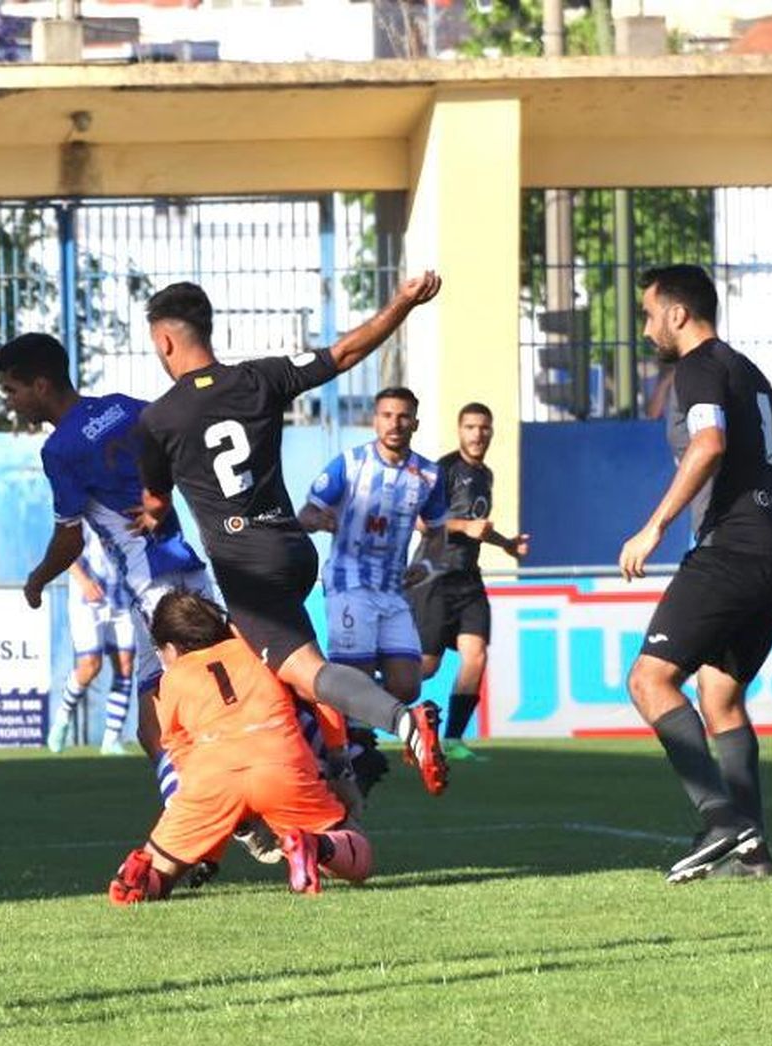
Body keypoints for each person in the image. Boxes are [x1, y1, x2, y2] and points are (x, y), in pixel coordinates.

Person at [135, 275, 450, 796]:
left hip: (246, 568)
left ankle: (400, 725)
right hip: (291, 548)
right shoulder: (260, 379)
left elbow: (154, 501)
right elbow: (345, 352)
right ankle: (340, 777)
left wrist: (150, 515)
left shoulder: (159, 418)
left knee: (301, 672)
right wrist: (403, 302)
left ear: (164, 341)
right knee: (280, 670)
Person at [618, 264, 772, 882]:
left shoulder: (696, 366)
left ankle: (720, 820)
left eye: (647, 314)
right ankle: (754, 856)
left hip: (732, 547)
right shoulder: (752, 373)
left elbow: (709, 443)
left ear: (676, 313)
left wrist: (654, 527)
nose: (645, 328)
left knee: (649, 680)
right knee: (720, 695)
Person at [0, 332, 214, 802]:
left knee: (155, 725)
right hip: (192, 573)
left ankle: (198, 821)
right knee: (220, 686)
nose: (11, 402)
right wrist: (160, 498)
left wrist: (36, 580)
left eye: (13, 390)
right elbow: (181, 443)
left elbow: (69, 538)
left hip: (150, 587)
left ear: (42, 385)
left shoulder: (60, 451)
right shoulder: (125, 406)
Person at [107, 592, 375, 903]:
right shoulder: (257, 649)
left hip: (210, 776)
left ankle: (138, 877)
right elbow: (321, 693)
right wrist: (340, 765)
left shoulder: (172, 680)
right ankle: (315, 845)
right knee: (357, 853)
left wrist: (208, 837)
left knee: (162, 873)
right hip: (279, 763)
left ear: (173, 647)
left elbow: (178, 753)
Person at [298, 387, 448, 706]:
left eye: (404, 416)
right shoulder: (350, 465)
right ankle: (353, 742)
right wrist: (319, 521)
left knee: (408, 686)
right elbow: (306, 512)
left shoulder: (429, 476)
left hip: (393, 589)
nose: (396, 423)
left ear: (415, 424)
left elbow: (437, 533)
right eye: (387, 416)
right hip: (348, 583)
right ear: (375, 421)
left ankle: (336, 706)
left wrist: (426, 565)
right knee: (357, 676)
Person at [406, 402, 530, 760]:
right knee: (425, 668)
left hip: (468, 579)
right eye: (471, 427)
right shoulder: (444, 470)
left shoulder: (486, 475)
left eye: (484, 428)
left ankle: (454, 740)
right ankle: (360, 710)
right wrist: (463, 527)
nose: (478, 434)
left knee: (475, 656)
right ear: (460, 431)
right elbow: (421, 519)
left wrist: (506, 544)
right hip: (434, 577)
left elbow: (477, 527)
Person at [51, 525, 137, 755]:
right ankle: (63, 716)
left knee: (125, 666)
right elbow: (63, 549)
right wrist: (84, 581)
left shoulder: (129, 503)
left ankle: (112, 739)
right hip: (87, 598)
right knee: (90, 666)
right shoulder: (84, 510)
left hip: (122, 596)